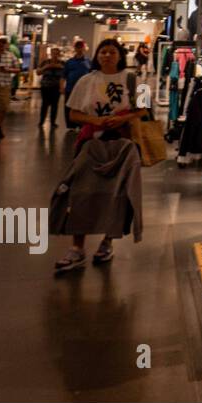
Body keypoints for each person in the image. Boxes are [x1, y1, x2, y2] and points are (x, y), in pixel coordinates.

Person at [54, 39, 148, 273]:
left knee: (117, 195)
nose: (107, 55)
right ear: (96, 55)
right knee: (81, 194)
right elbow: (74, 113)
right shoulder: (87, 80)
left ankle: (107, 243)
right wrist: (94, 120)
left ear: (120, 55)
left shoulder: (134, 79)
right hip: (91, 144)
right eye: (103, 51)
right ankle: (77, 247)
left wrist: (123, 118)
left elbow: (145, 109)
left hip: (123, 145)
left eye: (112, 51)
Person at [61, 39, 91, 128]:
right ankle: (70, 126)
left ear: (84, 48)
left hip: (84, 90)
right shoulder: (69, 62)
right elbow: (63, 75)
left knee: (83, 107)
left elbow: (93, 75)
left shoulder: (89, 62)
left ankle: (82, 124)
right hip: (70, 88)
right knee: (68, 107)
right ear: (75, 48)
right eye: (78, 47)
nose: (79, 49)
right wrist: (61, 87)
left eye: (81, 47)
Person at [37, 47, 66, 130]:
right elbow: (38, 72)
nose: (55, 55)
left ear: (59, 54)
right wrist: (46, 67)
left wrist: (59, 67)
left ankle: (53, 122)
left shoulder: (63, 63)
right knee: (44, 105)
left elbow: (66, 73)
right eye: (53, 53)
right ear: (51, 54)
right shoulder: (45, 62)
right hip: (45, 86)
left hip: (56, 87)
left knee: (55, 105)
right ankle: (41, 121)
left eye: (57, 54)